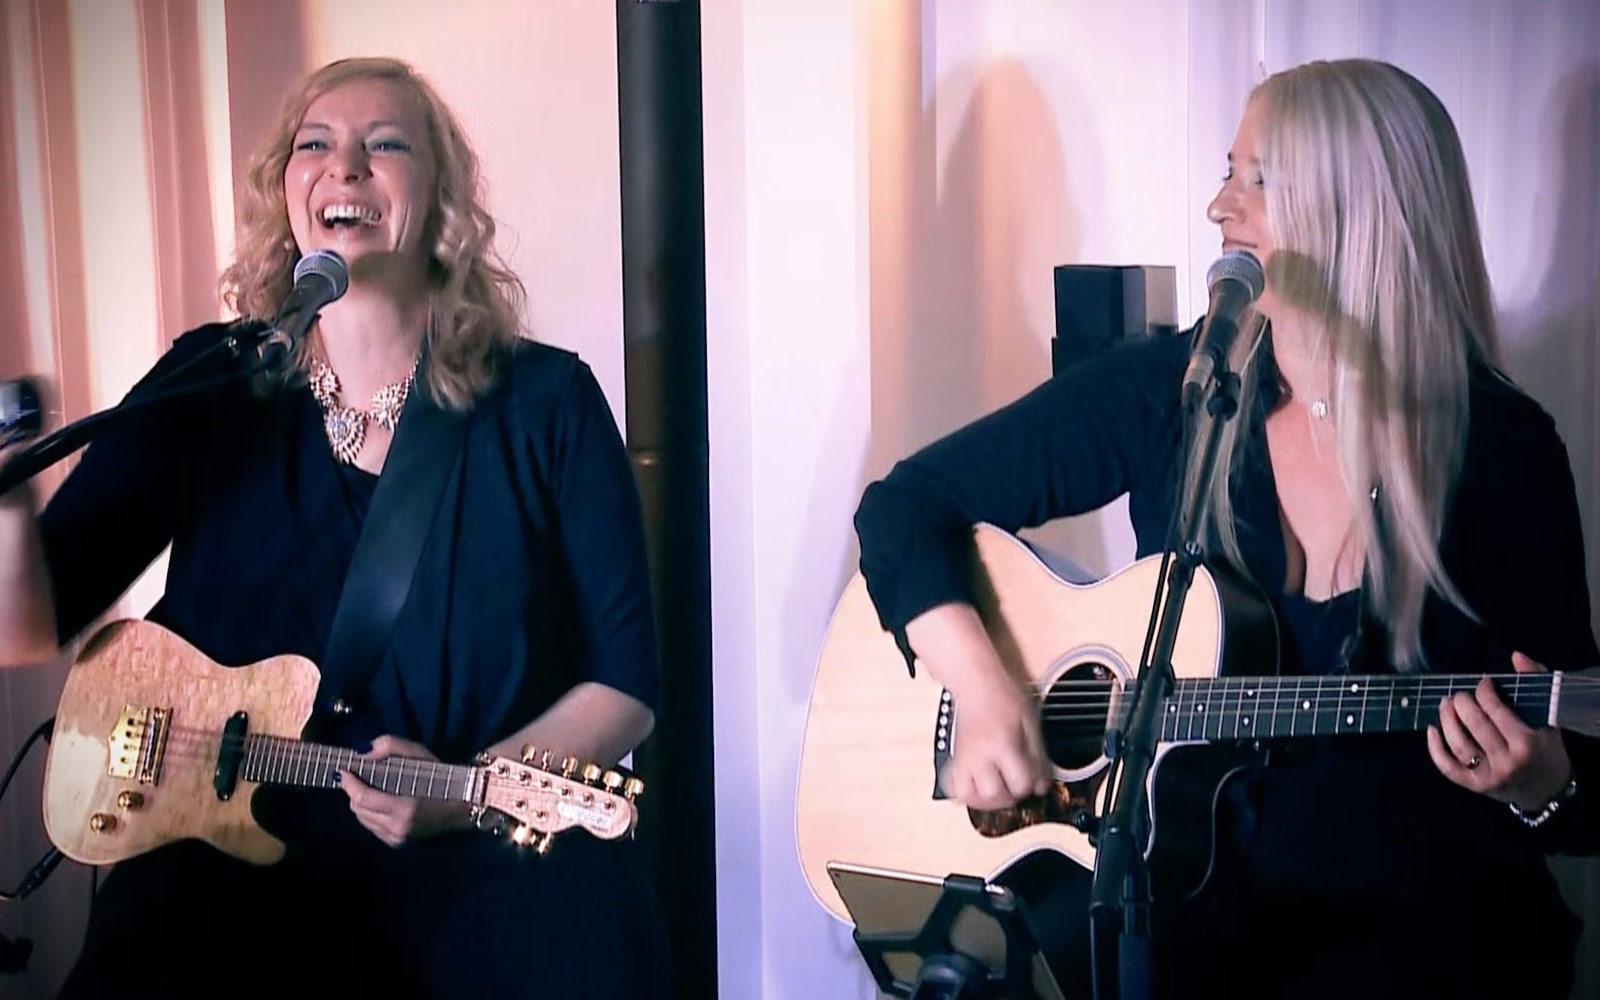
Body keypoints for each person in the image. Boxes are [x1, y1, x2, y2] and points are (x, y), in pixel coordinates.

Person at [852, 58, 1598, 1000]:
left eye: (1259, 180)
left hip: (1428, 942)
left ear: (1359, 212)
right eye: (1226, 171)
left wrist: (1541, 785)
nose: (1218, 207)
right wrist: (981, 684)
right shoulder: (1179, 392)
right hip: (1185, 932)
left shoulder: (1502, 450)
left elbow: (1584, 784)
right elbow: (904, 506)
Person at [0, 57, 671, 999]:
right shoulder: (213, 382)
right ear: (286, 193)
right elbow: (26, 625)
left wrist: (466, 795)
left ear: (441, 205)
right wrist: (9, 497)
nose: (344, 166)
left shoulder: (545, 402)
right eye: (314, 144)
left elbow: (625, 684)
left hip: (476, 850)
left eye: (384, 145)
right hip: (235, 857)